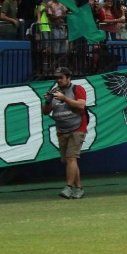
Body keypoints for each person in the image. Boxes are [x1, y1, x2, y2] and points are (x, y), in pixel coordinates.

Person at [42, 66, 87, 199]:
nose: (59, 80)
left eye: (61, 77)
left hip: (77, 127)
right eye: (57, 78)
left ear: (68, 78)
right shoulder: (54, 92)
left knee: (71, 158)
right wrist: (48, 101)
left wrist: (65, 99)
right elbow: (45, 112)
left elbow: (81, 105)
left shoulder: (77, 89)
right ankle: (79, 188)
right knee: (68, 160)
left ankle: (68, 187)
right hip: (62, 129)